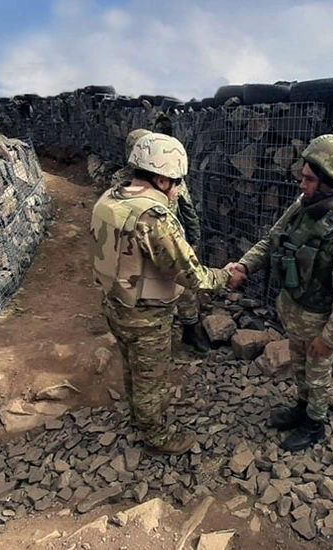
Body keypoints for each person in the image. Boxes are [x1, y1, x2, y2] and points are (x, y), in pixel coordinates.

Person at [91, 133, 245, 455]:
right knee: (151, 379)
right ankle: (157, 436)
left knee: (132, 368)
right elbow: (189, 273)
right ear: (161, 179)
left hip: (115, 303)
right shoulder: (153, 217)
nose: (176, 190)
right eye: (175, 183)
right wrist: (223, 278)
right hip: (146, 315)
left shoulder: (110, 198)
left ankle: (138, 417)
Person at [226, 134, 333, 452]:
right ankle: (301, 407)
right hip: (295, 312)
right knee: (299, 369)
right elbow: (271, 240)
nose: (301, 184)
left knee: (318, 376)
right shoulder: (303, 206)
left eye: (309, 179)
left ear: (330, 181)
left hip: (320, 324)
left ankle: (315, 423)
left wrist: (329, 340)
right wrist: (244, 267)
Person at [111, 128, 209, 354]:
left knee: (185, 287)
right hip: (138, 247)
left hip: (170, 241)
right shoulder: (120, 181)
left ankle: (190, 329)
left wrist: (193, 241)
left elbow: (188, 210)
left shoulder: (171, 178)